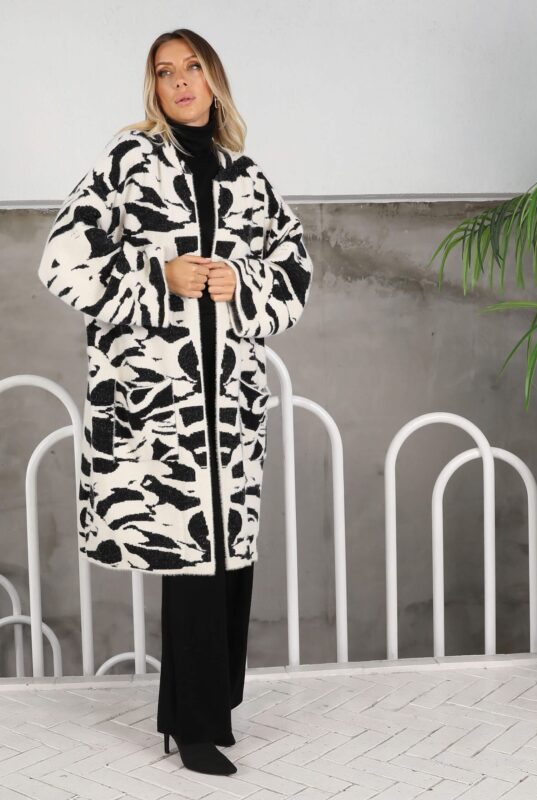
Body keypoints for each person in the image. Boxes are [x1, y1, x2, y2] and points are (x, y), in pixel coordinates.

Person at [38, 27, 313, 777]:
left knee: (227, 556)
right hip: (158, 405)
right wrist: (157, 278)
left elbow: (295, 270)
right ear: (154, 89)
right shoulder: (128, 161)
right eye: (166, 72)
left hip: (231, 403)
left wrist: (241, 283)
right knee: (190, 558)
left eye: (193, 67)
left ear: (213, 79)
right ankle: (192, 727)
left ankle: (209, 709)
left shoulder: (246, 177)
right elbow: (62, 259)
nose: (181, 81)